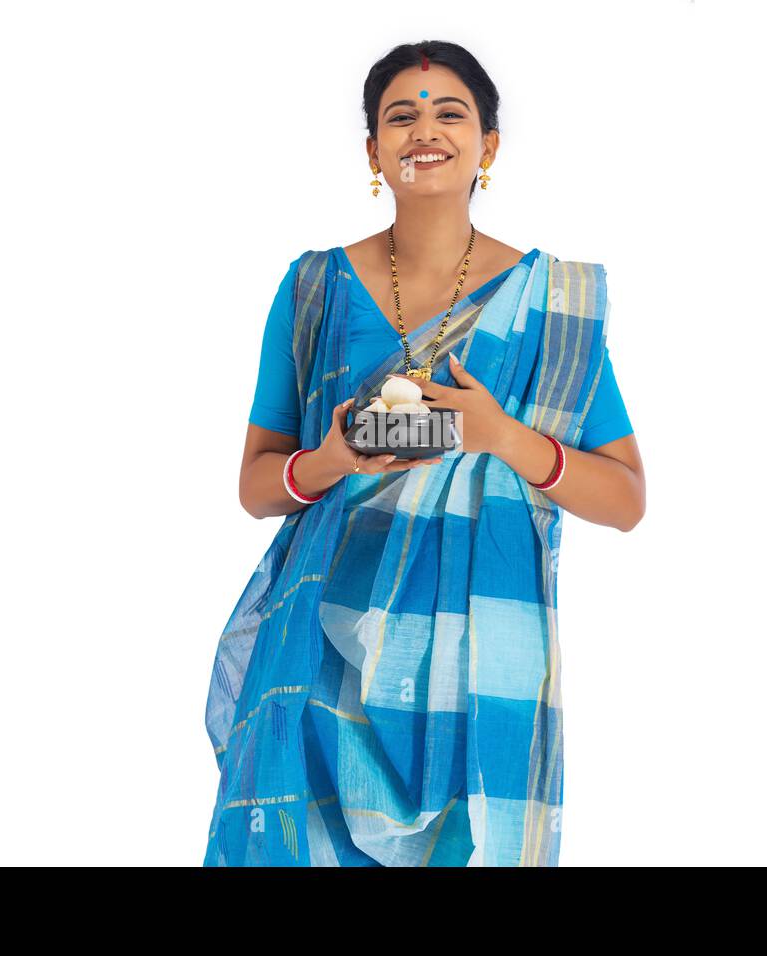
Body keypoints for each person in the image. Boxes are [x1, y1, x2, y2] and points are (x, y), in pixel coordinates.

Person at [202, 40, 646, 866]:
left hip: (478, 673)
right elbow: (259, 486)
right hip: (321, 659)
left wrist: (502, 436)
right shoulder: (314, 289)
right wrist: (331, 458)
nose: (424, 131)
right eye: (399, 117)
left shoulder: (549, 303)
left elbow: (625, 498)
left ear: (490, 144)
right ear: (373, 150)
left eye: (450, 113)